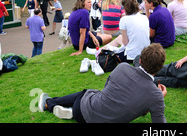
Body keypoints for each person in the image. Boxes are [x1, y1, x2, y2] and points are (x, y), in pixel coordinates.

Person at [38, 43, 167, 123]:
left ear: (141, 60)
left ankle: (50, 103)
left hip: (84, 108)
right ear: (160, 67)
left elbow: (106, 91)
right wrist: (158, 99)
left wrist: (156, 98)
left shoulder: (123, 67)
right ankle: (63, 108)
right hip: (94, 113)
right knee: (93, 95)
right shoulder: (155, 95)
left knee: (87, 93)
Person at [103, 0, 150, 64]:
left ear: (125, 8)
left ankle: (98, 51)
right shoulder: (144, 17)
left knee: (113, 52)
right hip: (146, 52)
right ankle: (98, 50)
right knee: (119, 38)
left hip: (132, 55)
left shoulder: (124, 20)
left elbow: (125, 43)